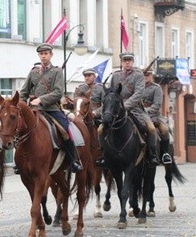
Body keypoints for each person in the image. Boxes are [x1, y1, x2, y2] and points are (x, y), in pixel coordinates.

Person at [20, 43, 82, 173]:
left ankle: (72, 161)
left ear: (51, 55)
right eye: (41, 54)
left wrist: (41, 99)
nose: (43, 56)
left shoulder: (57, 71)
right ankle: (20, 161)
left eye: (46, 54)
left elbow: (58, 92)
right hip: (34, 110)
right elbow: (24, 92)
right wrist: (21, 104)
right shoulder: (33, 72)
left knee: (66, 130)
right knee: (20, 129)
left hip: (51, 109)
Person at [96, 52, 159, 167]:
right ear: (121, 62)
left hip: (135, 108)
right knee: (100, 129)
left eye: (129, 60)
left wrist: (124, 106)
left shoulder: (138, 75)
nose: (127, 62)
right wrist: (101, 110)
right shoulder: (115, 75)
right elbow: (112, 93)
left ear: (133, 62)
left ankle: (152, 155)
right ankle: (104, 155)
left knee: (151, 128)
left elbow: (139, 93)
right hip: (117, 109)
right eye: (125, 60)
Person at [143, 69, 172, 164]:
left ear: (152, 76)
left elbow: (157, 105)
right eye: (144, 75)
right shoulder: (137, 87)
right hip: (139, 114)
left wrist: (145, 111)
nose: (146, 77)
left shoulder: (156, 88)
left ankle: (165, 154)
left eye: (148, 75)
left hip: (154, 115)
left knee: (164, 129)